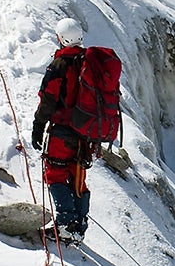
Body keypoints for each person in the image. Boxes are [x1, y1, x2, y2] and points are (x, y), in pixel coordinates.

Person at [31, 17, 121, 244]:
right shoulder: (90, 63)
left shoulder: (60, 65)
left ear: (61, 38)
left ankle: (65, 225)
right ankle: (79, 227)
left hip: (62, 131)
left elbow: (48, 99)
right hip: (86, 133)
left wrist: (38, 126)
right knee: (77, 177)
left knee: (55, 173)